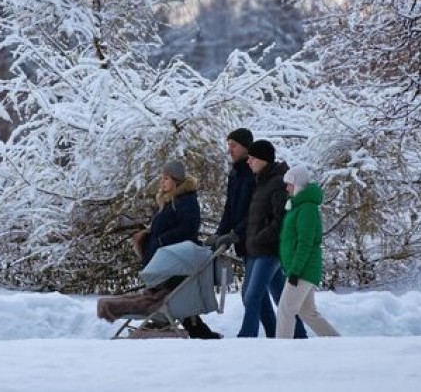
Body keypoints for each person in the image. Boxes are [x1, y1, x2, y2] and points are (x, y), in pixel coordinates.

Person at [128, 160, 222, 339]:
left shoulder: (186, 201)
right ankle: (197, 332)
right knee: (173, 296)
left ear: (176, 180)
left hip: (175, 259)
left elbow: (188, 229)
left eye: (166, 178)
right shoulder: (169, 200)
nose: (162, 182)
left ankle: (195, 331)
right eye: (161, 178)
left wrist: (163, 239)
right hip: (163, 256)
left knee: (173, 295)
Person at [236, 140, 306, 338]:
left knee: (252, 296)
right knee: (280, 297)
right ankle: (298, 336)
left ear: (263, 159)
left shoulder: (277, 183)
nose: (248, 161)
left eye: (252, 158)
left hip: (269, 250)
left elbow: (281, 220)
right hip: (255, 249)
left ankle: (246, 338)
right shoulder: (261, 181)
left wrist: (260, 238)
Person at [276, 166, 340, 338]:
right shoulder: (298, 207)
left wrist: (295, 271)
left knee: (285, 310)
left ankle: (280, 350)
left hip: (303, 269)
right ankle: (337, 342)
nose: (287, 188)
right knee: (308, 313)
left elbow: (306, 243)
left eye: (289, 184)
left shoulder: (307, 209)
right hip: (301, 268)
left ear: (298, 184)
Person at [205, 127, 255, 256]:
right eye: (229, 145)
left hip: (256, 239)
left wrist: (236, 233)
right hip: (243, 243)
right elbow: (230, 208)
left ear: (246, 147)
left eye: (234, 146)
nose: (230, 150)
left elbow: (256, 210)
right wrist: (220, 233)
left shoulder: (254, 174)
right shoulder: (235, 174)